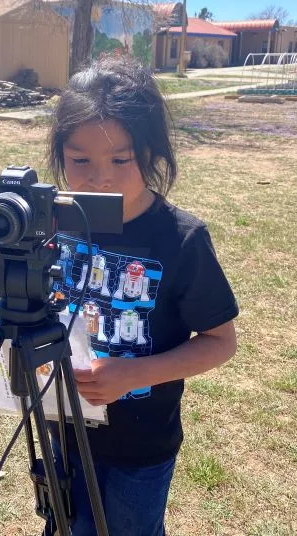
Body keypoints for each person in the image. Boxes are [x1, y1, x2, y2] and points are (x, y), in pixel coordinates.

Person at [44, 55, 239, 536]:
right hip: (62, 434)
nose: (99, 176)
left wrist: (135, 373)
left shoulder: (182, 239)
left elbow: (220, 340)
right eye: (80, 159)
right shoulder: (53, 222)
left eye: (120, 159)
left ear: (151, 153)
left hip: (140, 447)